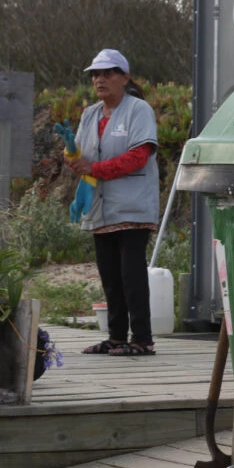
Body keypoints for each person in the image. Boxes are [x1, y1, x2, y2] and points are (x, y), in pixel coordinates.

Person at [67, 49, 159, 357]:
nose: (99, 79)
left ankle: (142, 339)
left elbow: (138, 156)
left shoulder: (138, 110)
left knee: (131, 275)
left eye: (107, 73)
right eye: (95, 74)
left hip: (132, 206)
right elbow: (81, 155)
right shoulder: (90, 113)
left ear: (125, 77)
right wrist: (72, 157)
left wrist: (93, 169)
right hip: (100, 207)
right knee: (109, 276)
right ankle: (117, 336)